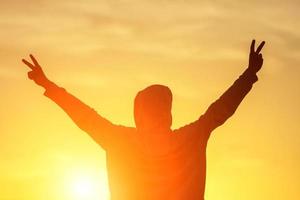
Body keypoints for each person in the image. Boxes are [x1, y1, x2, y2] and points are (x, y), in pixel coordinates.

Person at [22, 40, 265, 200]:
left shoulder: (120, 140)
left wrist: (48, 85)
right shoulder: (189, 138)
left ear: (139, 114)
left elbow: (84, 116)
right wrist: (248, 75)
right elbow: (219, 111)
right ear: (167, 113)